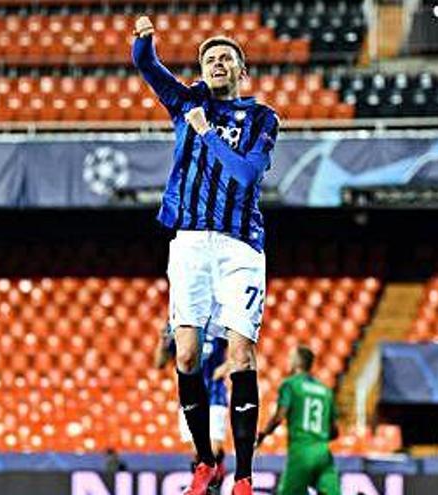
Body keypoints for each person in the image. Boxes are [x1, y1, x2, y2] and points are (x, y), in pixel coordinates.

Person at [132, 14, 279, 495]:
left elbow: (244, 176)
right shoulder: (187, 101)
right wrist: (143, 42)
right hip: (190, 242)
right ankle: (203, 463)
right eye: (209, 58)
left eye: (226, 58)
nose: (217, 63)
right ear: (201, 70)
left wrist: (207, 133)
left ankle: (243, 475)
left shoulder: (262, 118)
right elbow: (149, 69)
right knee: (189, 353)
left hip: (240, 246)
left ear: (242, 72)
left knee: (241, 354)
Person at [154, 323, 230, 491]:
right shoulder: (181, 328)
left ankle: (213, 488)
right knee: (198, 453)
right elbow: (159, 363)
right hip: (189, 396)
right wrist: (162, 341)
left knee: (213, 450)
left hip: (215, 395)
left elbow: (239, 349)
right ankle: (205, 489)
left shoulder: (217, 324)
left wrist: (226, 367)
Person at [256, 346, 341, 495]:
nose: (288, 361)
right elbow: (334, 431)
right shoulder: (326, 391)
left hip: (301, 451)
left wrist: (263, 435)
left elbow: (279, 416)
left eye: (291, 358)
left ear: (297, 362)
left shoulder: (291, 384)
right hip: (323, 452)